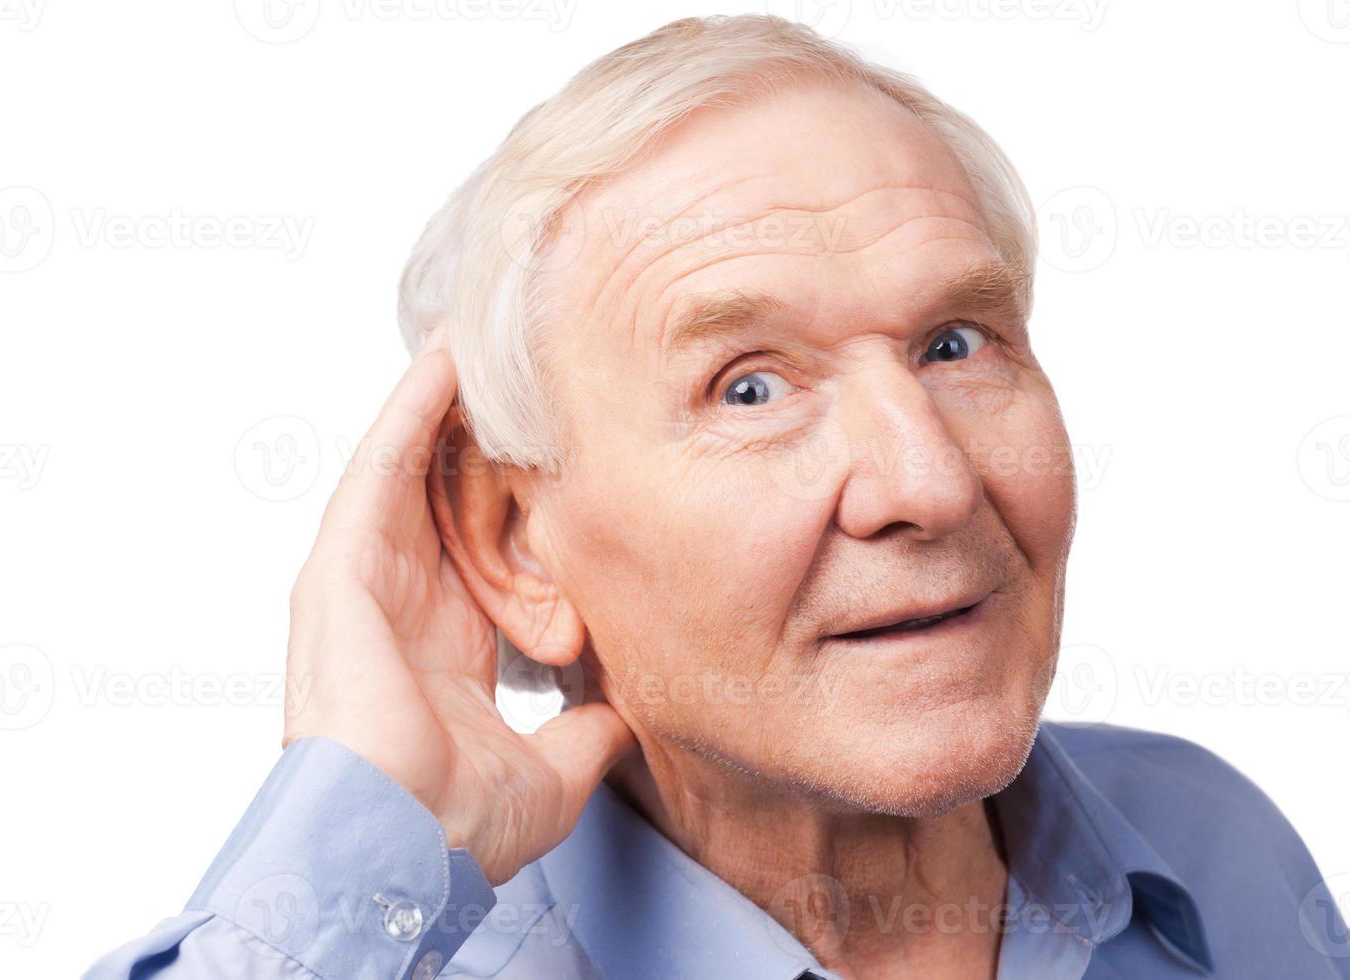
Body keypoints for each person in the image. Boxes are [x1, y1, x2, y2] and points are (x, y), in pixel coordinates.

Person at [86, 15, 1348, 980]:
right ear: (515, 540)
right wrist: (369, 817)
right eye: (749, 388)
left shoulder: (1214, 840)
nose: (929, 479)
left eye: (955, 344)